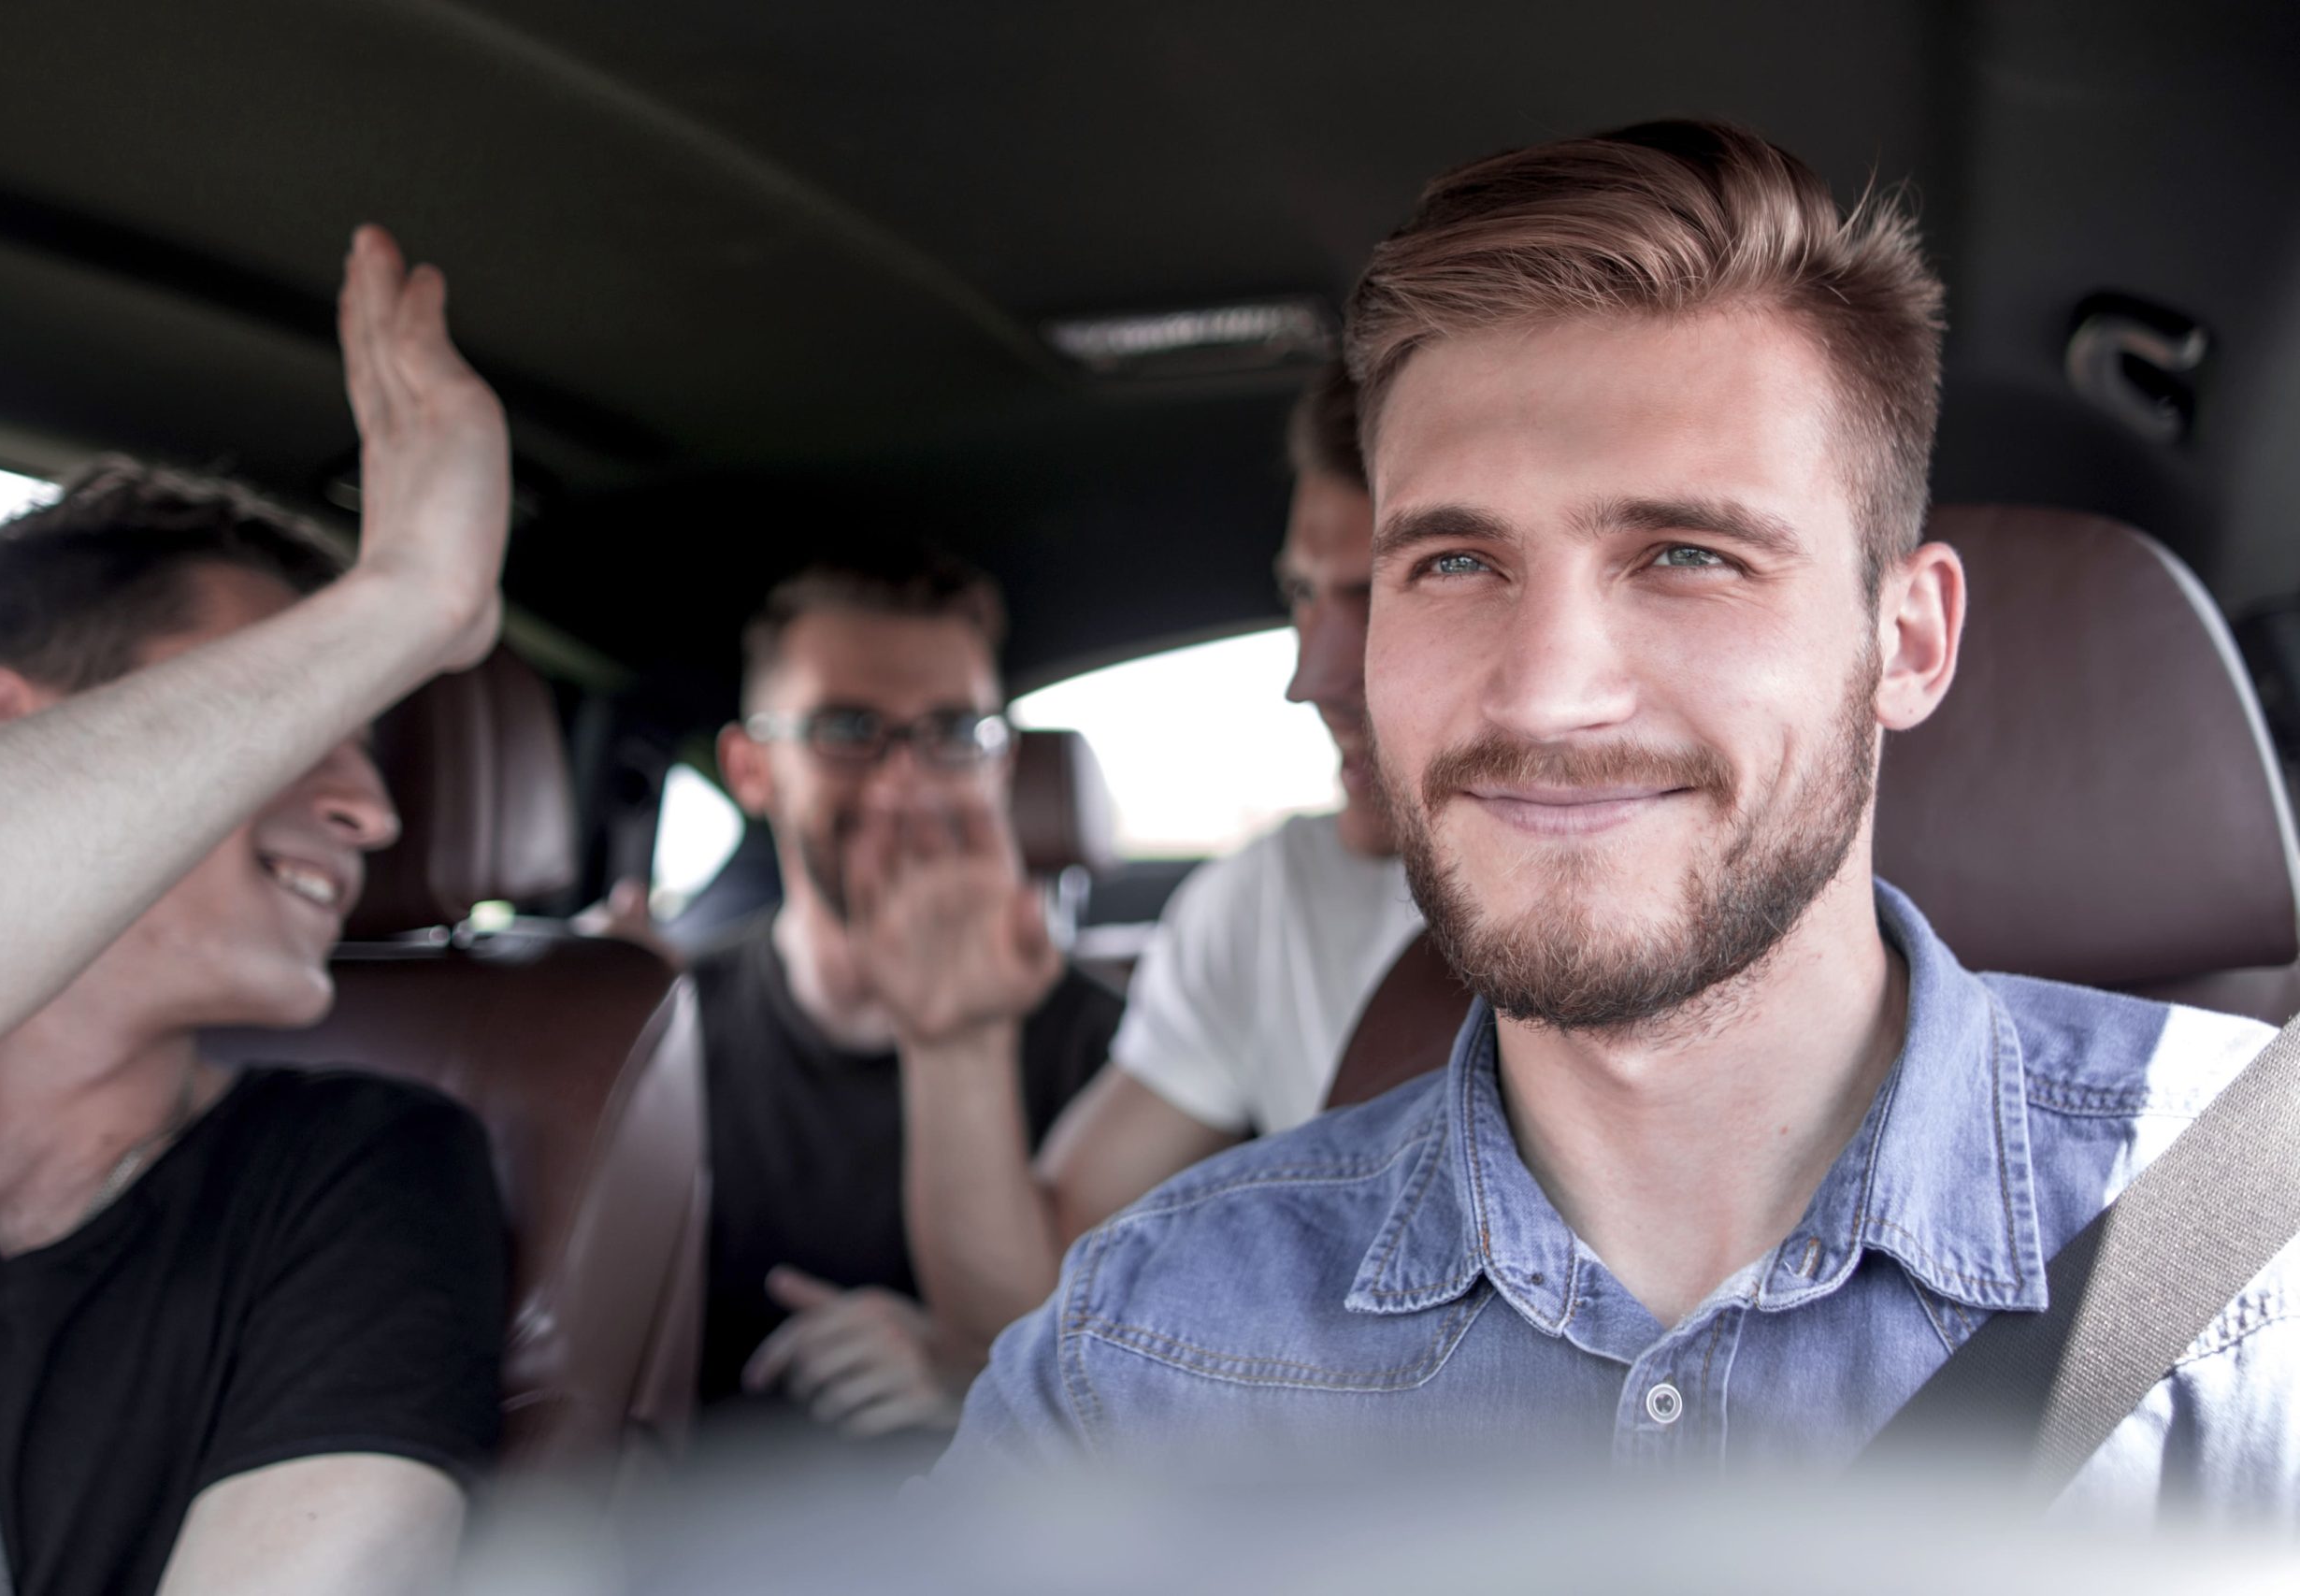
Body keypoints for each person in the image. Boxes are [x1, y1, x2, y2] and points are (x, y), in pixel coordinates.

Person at [942, 122, 2300, 1509]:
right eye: (1458, 560)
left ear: (1908, 641)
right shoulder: (1147, 1352)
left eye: (1687, 554)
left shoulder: (2259, 1243)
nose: (1544, 696)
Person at [0, 225, 515, 1595]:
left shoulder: (363, 1168)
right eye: (276, 712)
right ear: (13, 727)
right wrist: (402, 592)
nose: (373, 811)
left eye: (365, 726)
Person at [887, 367, 1425, 1358]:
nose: (1310, 677)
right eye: (1302, 598)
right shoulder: (1264, 906)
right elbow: (1039, 1302)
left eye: (1381, 594)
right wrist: (952, 1041)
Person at [691, 550, 1121, 1444]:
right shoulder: (655, 1042)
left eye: (954, 733)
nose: (905, 784)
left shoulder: (1120, 1054)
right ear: (751, 768)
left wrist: (971, 1371)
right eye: (848, 729)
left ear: (998, 765)